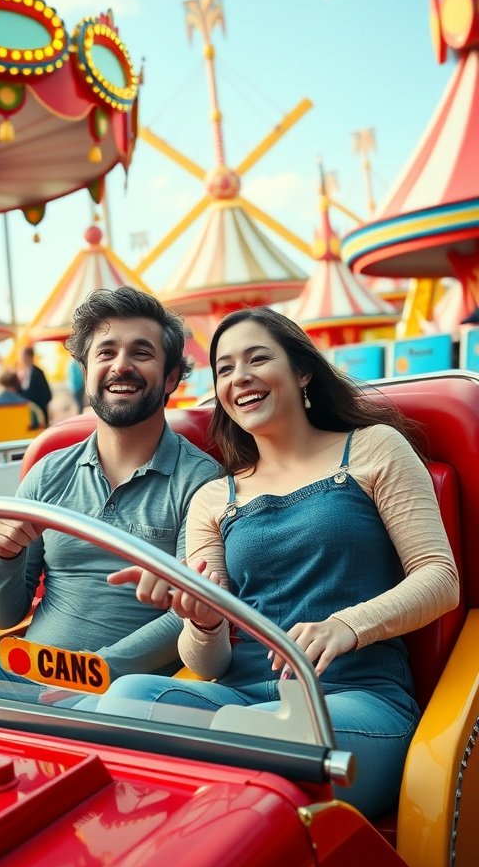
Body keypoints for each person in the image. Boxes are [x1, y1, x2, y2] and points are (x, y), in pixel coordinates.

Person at [83, 307, 459, 819]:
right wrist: (205, 618)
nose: (241, 377)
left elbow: (440, 578)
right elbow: (205, 664)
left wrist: (346, 626)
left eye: (258, 359)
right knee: (127, 698)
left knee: (255, 735)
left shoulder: (374, 449)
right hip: (240, 697)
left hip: (354, 699)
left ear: (302, 371)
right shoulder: (214, 498)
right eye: (224, 369)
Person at [0, 287, 220, 701]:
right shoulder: (49, 473)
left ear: (172, 377)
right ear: (86, 371)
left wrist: (89, 673)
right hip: (21, 674)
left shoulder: (201, 480)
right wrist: (5, 557)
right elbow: (0, 614)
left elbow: (192, 612)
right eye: (105, 353)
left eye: (141, 353)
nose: (120, 365)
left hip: (121, 691)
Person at [18, 346, 53, 426]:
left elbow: (47, 394)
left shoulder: (38, 373)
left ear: (29, 357)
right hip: (27, 414)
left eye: (23, 356)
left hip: (38, 413)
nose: (21, 359)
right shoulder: (22, 373)